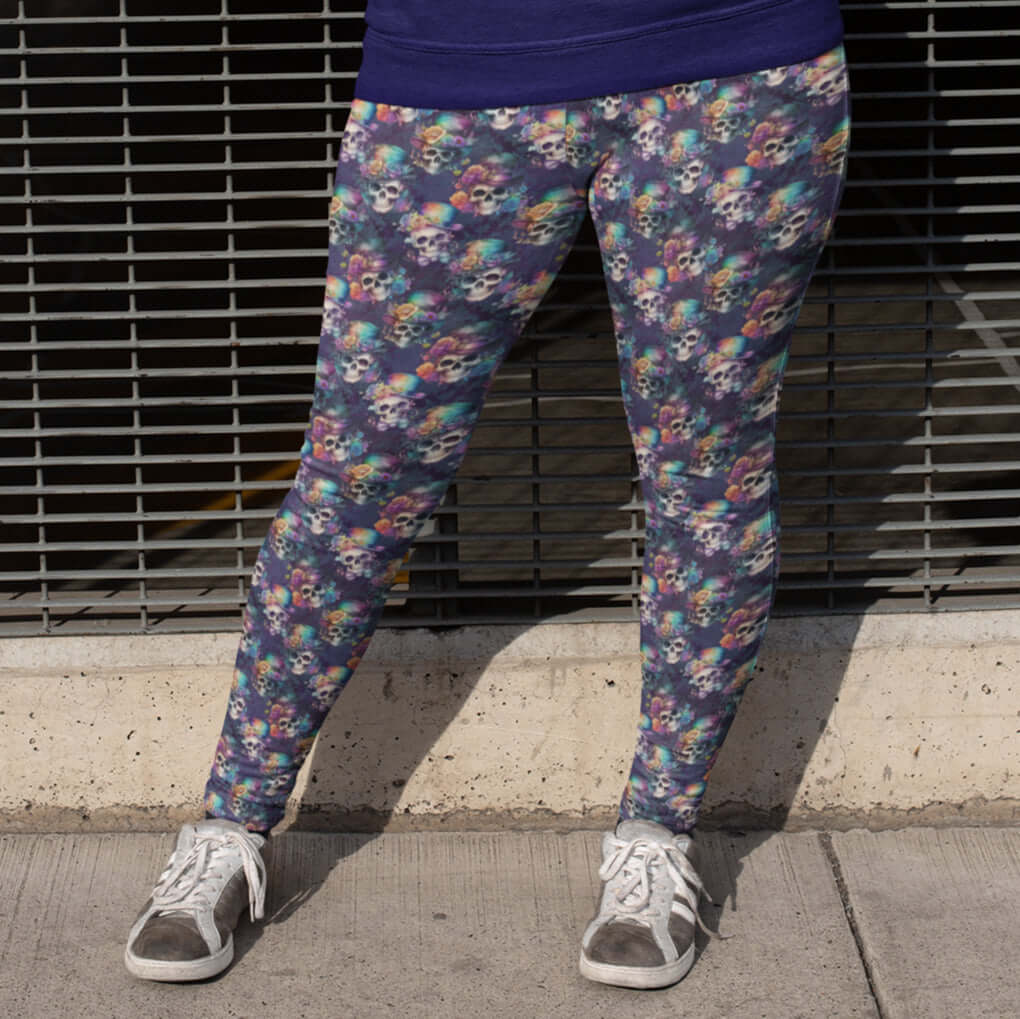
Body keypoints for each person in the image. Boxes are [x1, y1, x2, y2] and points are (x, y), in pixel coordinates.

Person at [124, 0, 850, 991]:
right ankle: (229, 824)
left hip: (734, 65)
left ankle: (656, 835)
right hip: (456, 70)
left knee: (706, 473)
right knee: (360, 474)